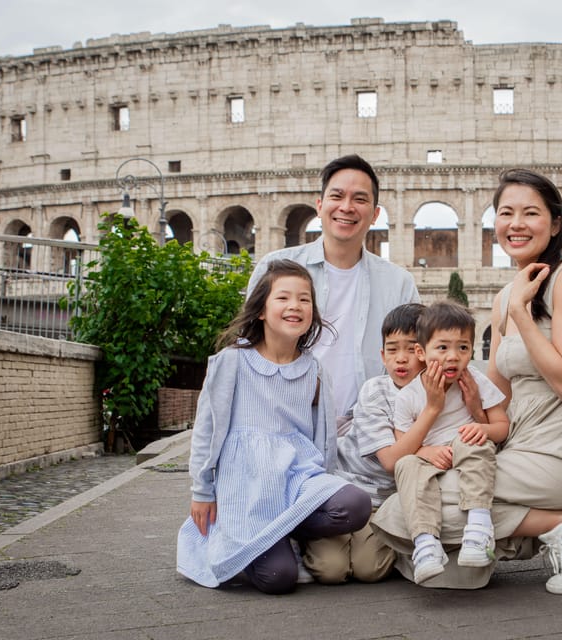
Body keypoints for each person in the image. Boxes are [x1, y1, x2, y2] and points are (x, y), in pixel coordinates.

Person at [372, 169, 562, 594]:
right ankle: (529, 536)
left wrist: (521, 311)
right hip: (518, 442)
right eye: (506, 213)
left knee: (406, 504)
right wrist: (438, 398)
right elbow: (493, 395)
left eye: (530, 213)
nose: (516, 224)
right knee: (452, 566)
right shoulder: (504, 296)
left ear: (555, 223)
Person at [176, 259, 372, 595]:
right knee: (279, 579)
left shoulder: (314, 370)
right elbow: (207, 430)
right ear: (262, 310)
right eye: (283, 298)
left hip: (296, 479)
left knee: (355, 505)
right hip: (247, 485)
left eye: (304, 299)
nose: (295, 305)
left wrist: (322, 490)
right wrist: (202, 491)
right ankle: (261, 541)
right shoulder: (232, 362)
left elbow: (322, 437)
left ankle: (285, 530)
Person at [247, 154, 420, 426]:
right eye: (337, 196)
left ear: (375, 214)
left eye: (360, 199)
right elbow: (249, 349)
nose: (347, 207)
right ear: (319, 205)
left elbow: (414, 363)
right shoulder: (273, 268)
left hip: (368, 433)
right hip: (283, 423)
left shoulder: (399, 283)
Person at [302, 302, 426, 584]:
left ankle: (379, 544)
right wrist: (430, 421)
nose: (401, 359)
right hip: (345, 492)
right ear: (382, 355)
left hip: (384, 501)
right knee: (329, 570)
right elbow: (390, 460)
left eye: (412, 348)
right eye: (393, 349)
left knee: (370, 569)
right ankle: (302, 531)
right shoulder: (376, 390)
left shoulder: (439, 393)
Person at [391, 301, 509, 584]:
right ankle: (426, 543)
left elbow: (502, 427)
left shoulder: (475, 381)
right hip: (429, 459)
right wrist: (426, 451)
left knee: (471, 438)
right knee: (407, 463)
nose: (453, 357)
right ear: (421, 352)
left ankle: (479, 528)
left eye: (463, 348)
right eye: (442, 348)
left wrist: (482, 428)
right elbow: (402, 446)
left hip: (466, 448)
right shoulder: (408, 396)